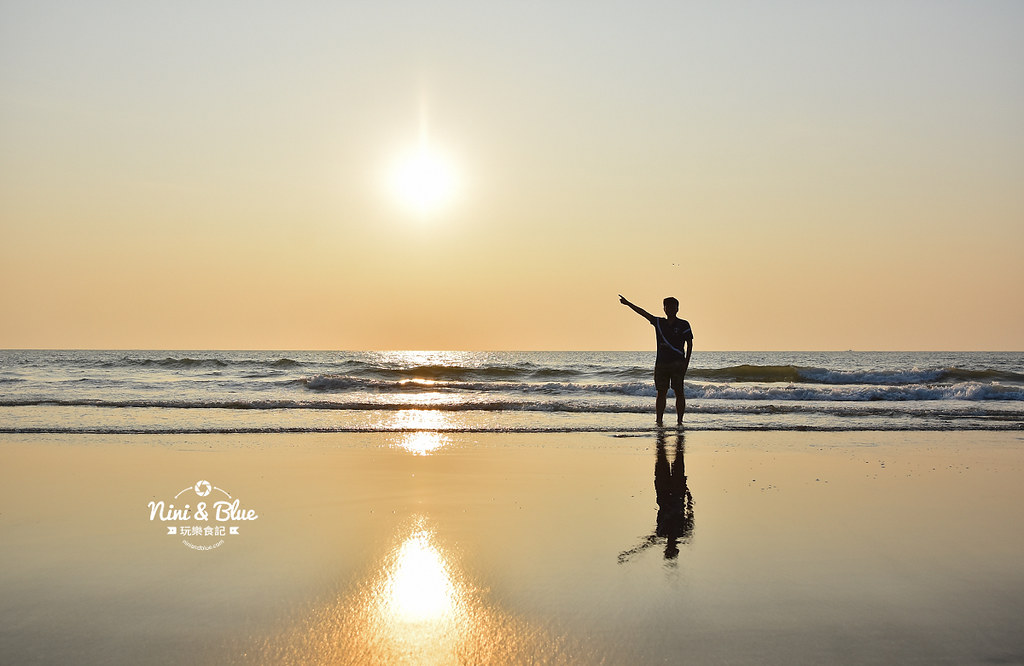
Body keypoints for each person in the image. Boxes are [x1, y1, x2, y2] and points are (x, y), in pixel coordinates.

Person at [619, 294, 693, 425]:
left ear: (677, 308)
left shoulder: (683, 324)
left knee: (679, 392)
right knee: (661, 392)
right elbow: (643, 313)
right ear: (664, 308)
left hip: (677, 364)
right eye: (668, 307)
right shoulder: (659, 322)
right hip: (661, 364)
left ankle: (680, 421)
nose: (671, 309)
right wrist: (628, 303)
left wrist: (686, 363)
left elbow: (690, 344)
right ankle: (659, 421)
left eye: (673, 307)